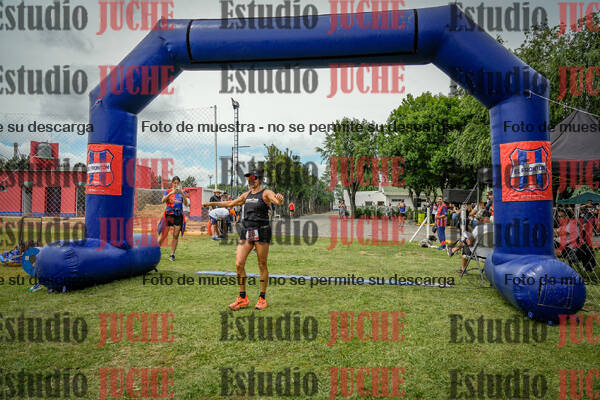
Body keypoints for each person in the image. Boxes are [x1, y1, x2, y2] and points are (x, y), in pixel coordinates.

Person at [203, 169, 284, 311]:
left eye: (253, 178)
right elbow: (230, 204)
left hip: (262, 231)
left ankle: (262, 298)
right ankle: (242, 298)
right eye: (248, 179)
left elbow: (277, 200)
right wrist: (210, 204)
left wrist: (280, 199)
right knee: (239, 264)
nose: (250, 181)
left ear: (259, 180)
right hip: (247, 231)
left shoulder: (265, 193)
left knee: (262, 264)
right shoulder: (246, 195)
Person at [160, 176, 189, 261]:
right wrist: (171, 193)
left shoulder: (182, 192)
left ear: (180, 184)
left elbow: (186, 204)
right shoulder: (168, 191)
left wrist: (182, 194)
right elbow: (163, 201)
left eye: (178, 183)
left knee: (175, 235)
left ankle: (172, 254)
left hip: (178, 215)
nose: (176, 184)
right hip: (169, 214)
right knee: (164, 235)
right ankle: (155, 250)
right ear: (172, 183)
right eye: (175, 183)